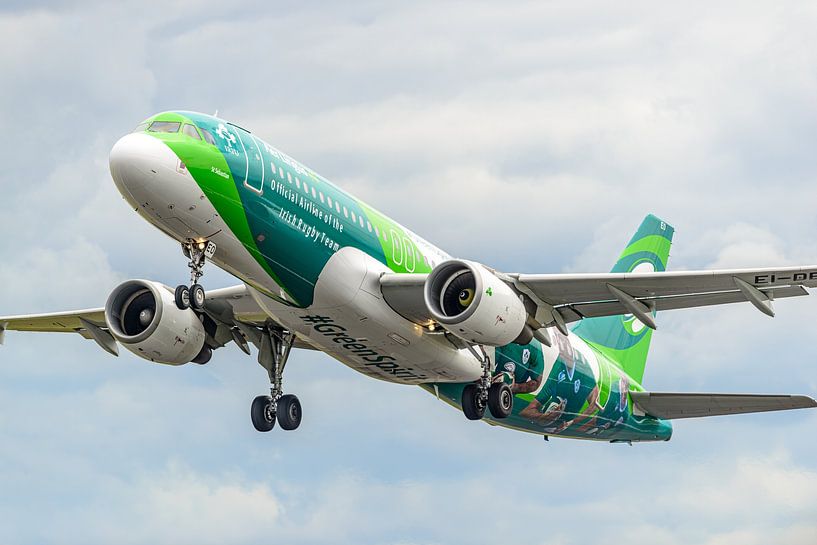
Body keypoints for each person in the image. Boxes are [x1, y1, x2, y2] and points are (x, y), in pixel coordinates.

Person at [519, 330, 600, 434]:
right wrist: (572, 422)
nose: (562, 344)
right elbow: (594, 405)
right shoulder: (577, 366)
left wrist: (542, 416)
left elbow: (525, 412)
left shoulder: (568, 369)